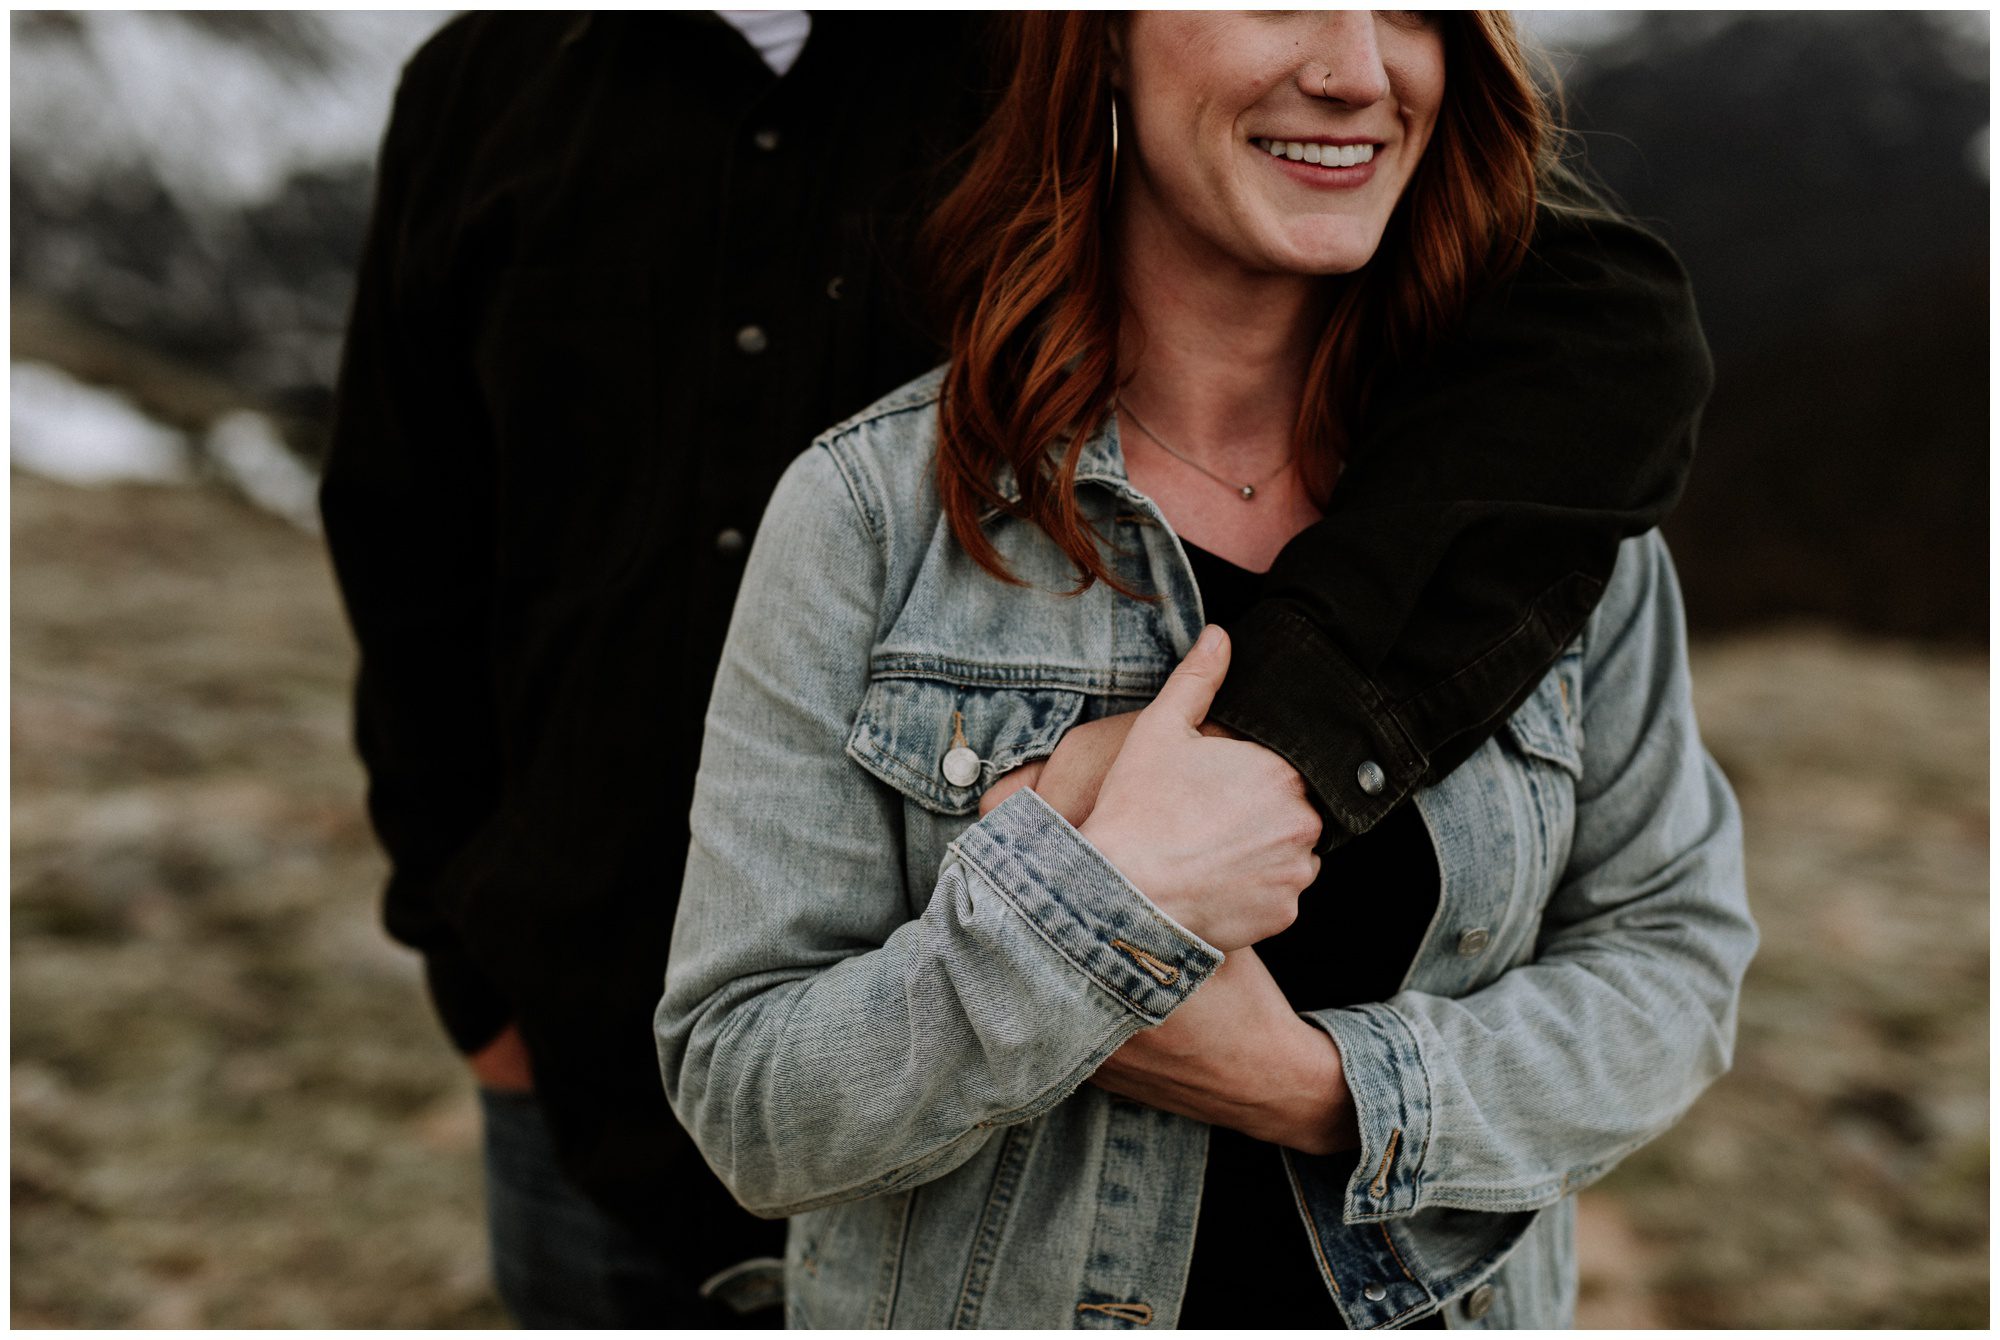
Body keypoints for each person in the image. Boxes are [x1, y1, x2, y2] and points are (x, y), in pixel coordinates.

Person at [322, 9, 1708, 1329]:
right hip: (611, 1083)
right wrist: (1096, 909)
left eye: (1413, 8)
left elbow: (1670, 963)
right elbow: (406, 543)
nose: (1353, 65)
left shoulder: (1538, 507)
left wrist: (1321, 1087)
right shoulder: (871, 508)